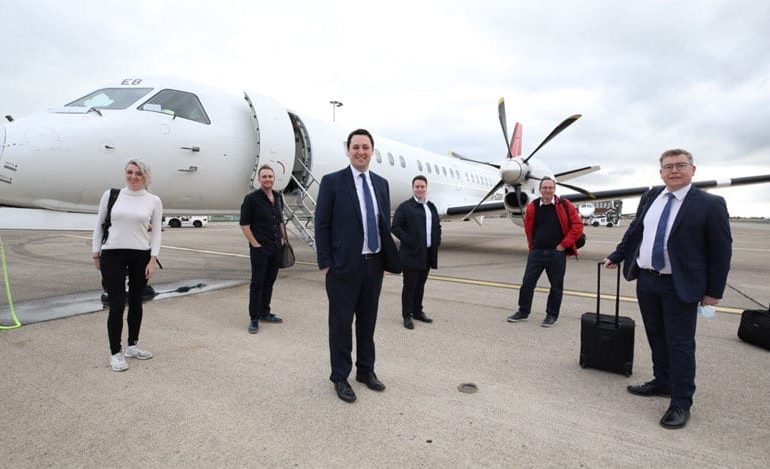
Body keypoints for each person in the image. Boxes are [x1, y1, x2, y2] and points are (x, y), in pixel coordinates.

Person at [603, 149, 731, 429]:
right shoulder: (651, 197)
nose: (674, 170)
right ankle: (662, 382)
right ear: (660, 171)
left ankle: (681, 402)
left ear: (693, 169)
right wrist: (617, 254)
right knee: (656, 336)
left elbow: (721, 252)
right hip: (647, 280)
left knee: (681, 344)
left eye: (680, 165)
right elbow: (635, 230)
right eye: (668, 166)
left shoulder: (710, 204)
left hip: (680, 285)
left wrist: (713, 294)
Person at [314, 128, 401, 403]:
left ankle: (366, 370)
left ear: (371, 151)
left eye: (365, 147)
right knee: (340, 324)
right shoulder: (332, 182)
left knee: (368, 322)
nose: (361, 152)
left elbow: (382, 224)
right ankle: (340, 376)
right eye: (356, 147)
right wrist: (327, 262)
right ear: (348, 150)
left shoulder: (381, 184)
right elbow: (322, 224)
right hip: (343, 267)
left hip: (373, 265)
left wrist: (388, 257)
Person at [92, 159, 162, 372]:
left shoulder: (153, 200)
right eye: (130, 172)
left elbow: (157, 232)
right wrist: (96, 253)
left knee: (136, 301)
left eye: (138, 173)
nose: (133, 176)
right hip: (112, 254)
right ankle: (115, 352)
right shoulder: (111, 195)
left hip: (141, 255)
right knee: (117, 303)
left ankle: (132, 345)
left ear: (145, 176)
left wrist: (152, 259)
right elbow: (99, 224)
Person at [507, 177, 583, 327]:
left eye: (550, 187)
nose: (548, 190)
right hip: (537, 253)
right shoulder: (533, 206)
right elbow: (529, 229)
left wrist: (563, 244)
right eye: (545, 188)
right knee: (527, 284)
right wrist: (532, 247)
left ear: (554, 189)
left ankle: (551, 315)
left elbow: (578, 226)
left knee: (556, 286)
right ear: (540, 189)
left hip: (556, 254)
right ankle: (523, 311)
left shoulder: (564, 205)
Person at [239, 165, 287, 334]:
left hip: (275, 248)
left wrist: (282, 240)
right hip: (260, 249)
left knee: (269, 282)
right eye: (264, 176)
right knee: (257, 283)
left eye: (270, 176)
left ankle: (265, 312)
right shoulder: (251, 199)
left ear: (274, 179)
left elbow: (279, 220)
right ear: (259, 179)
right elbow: (244, 224)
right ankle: (254, 318)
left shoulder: (277, 197)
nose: (267, 179)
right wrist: (255, 244)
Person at [391, 175, 442, 330]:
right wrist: (410, 241)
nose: (420, 189)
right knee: (410, 285)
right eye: (417, 186)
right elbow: (395, 227)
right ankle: (407, 315)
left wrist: (436, 241)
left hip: (427, 253)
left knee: (421, 284)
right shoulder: (405, 207)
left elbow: (437, 226)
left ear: (426, 188)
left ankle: (417, 311)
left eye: (422, 186)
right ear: (413, 188)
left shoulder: (431, 207)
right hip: (411, 254)